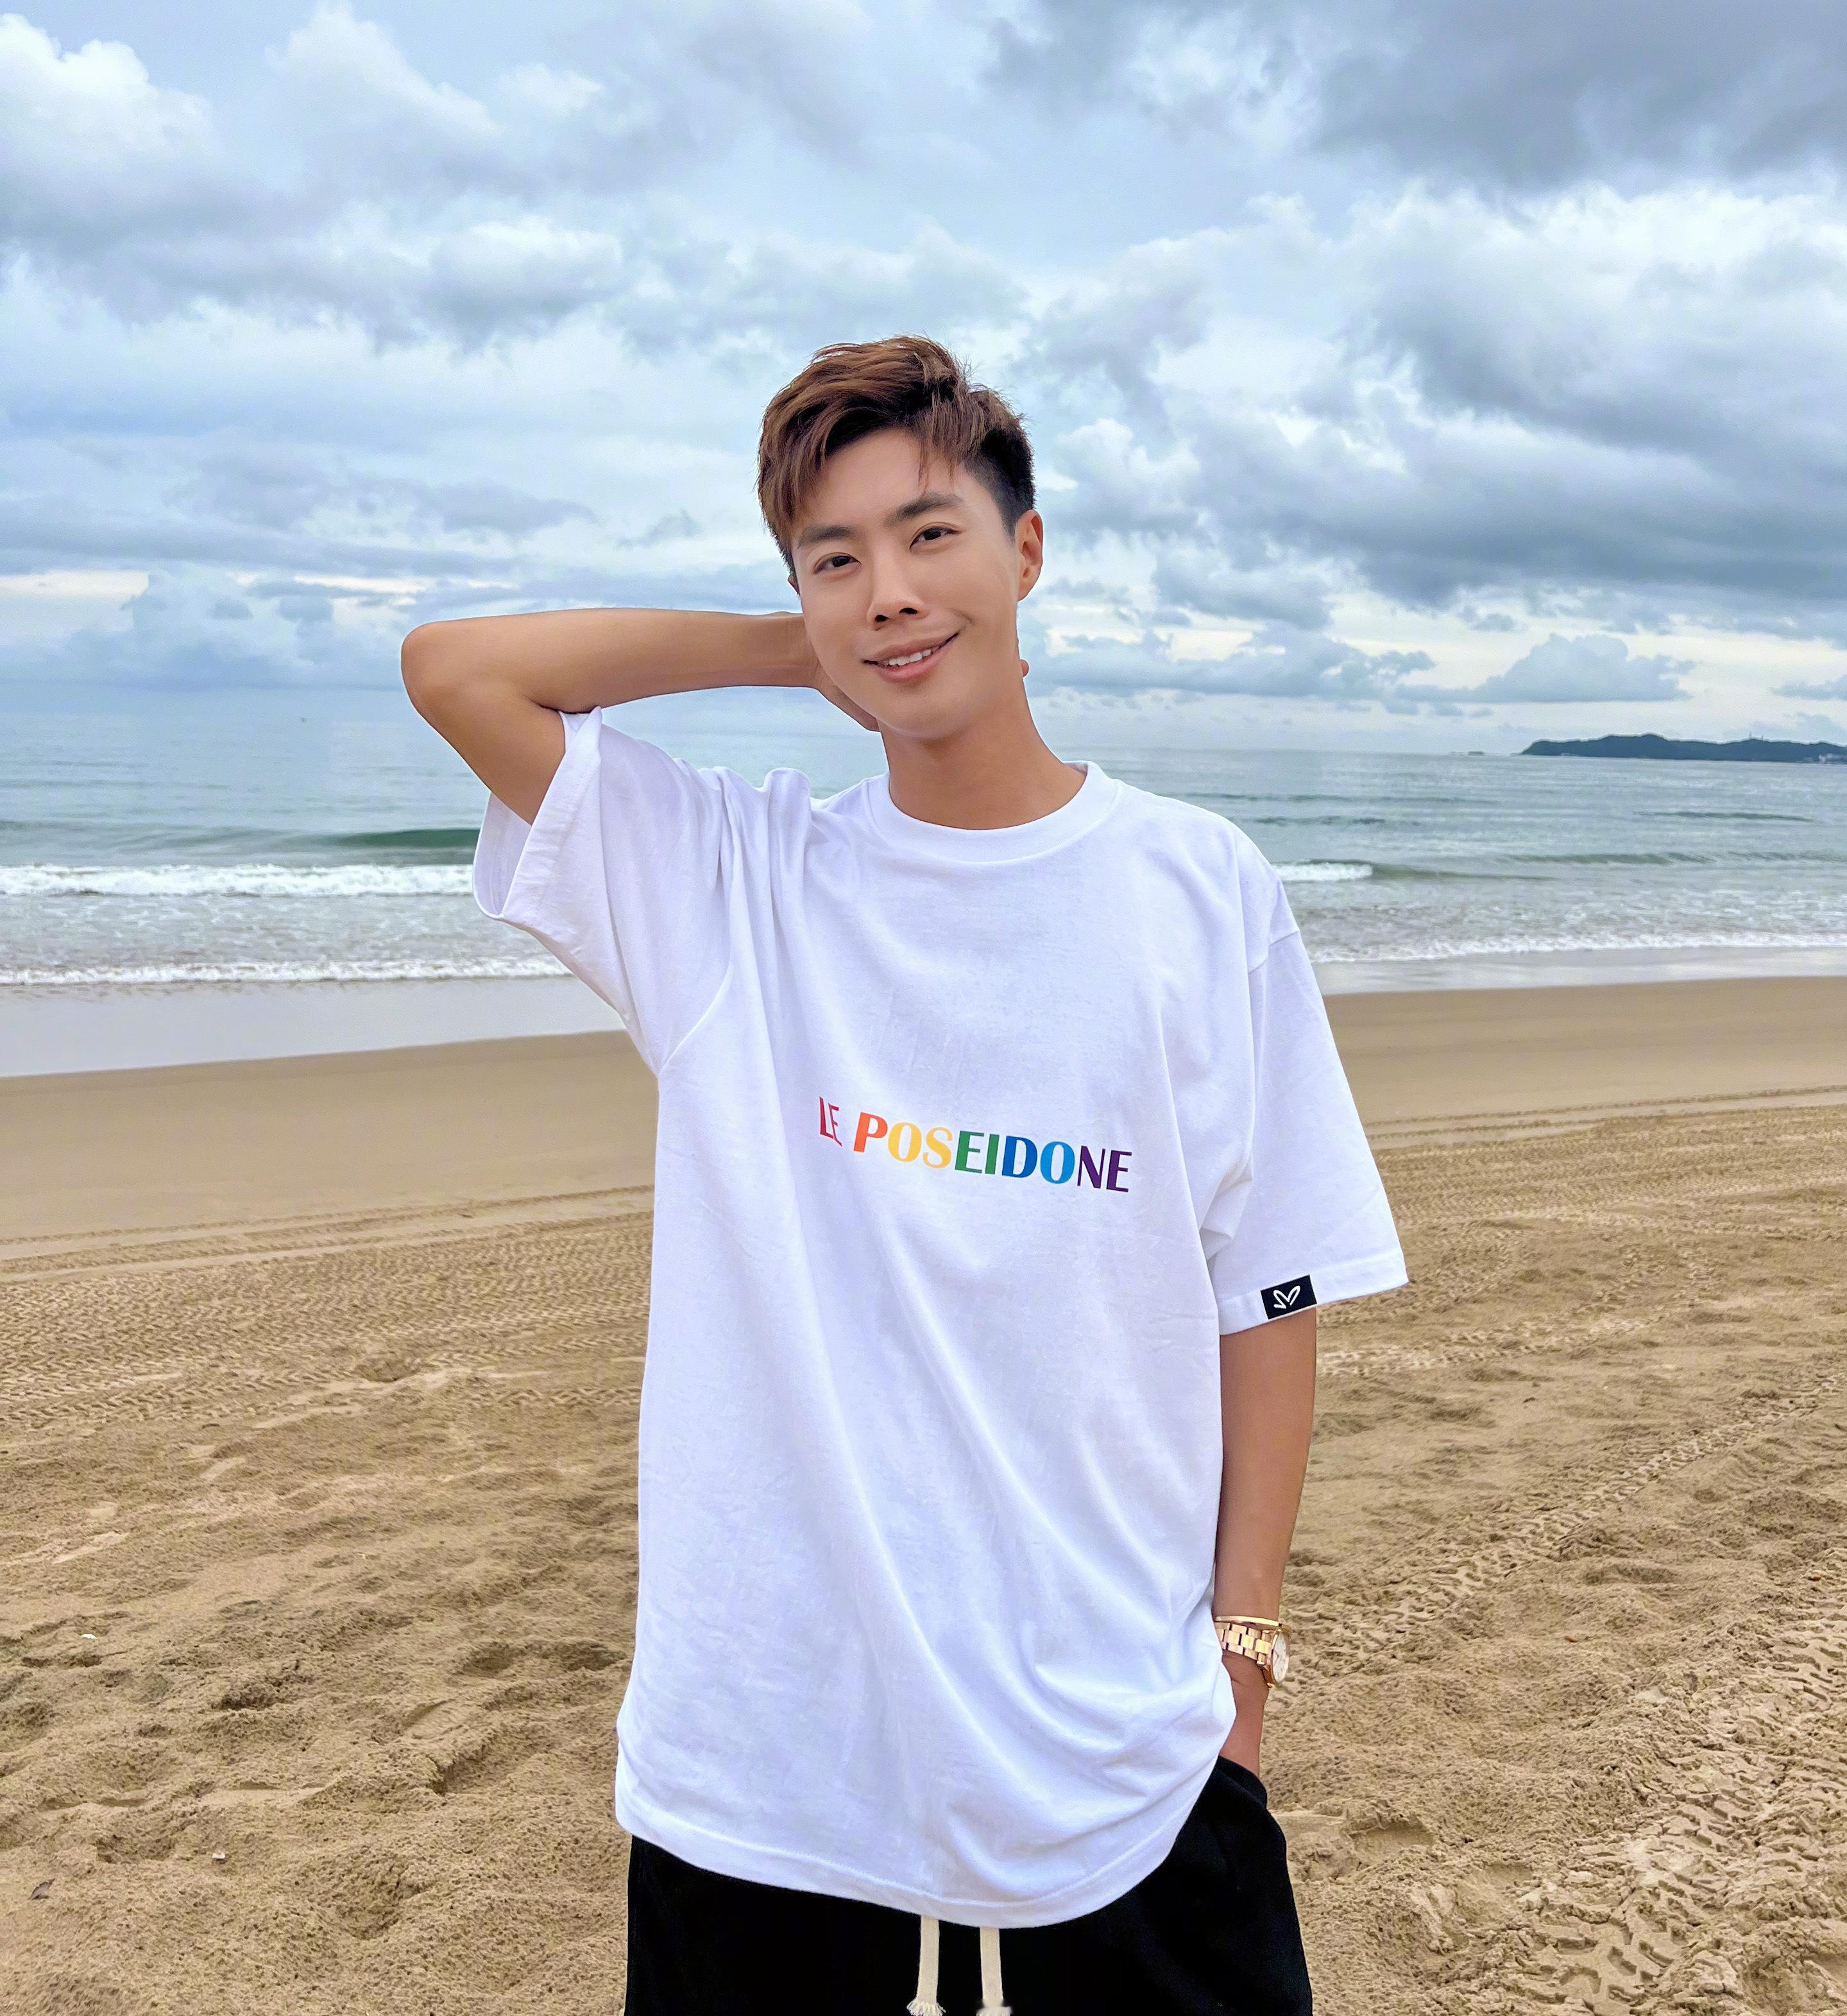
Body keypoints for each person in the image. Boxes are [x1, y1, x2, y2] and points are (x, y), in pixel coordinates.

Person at [401, 334, 1407, 2015]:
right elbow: (457, 673)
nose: (890, 593)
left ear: (1029, 549)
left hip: (1126, 1776)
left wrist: (1242, 1663)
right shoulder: (735, 886)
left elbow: (1267, 1288)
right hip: (765, 1790)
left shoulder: (1198, 887)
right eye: (836, 559)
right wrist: (793, 652)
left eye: (932, 535)